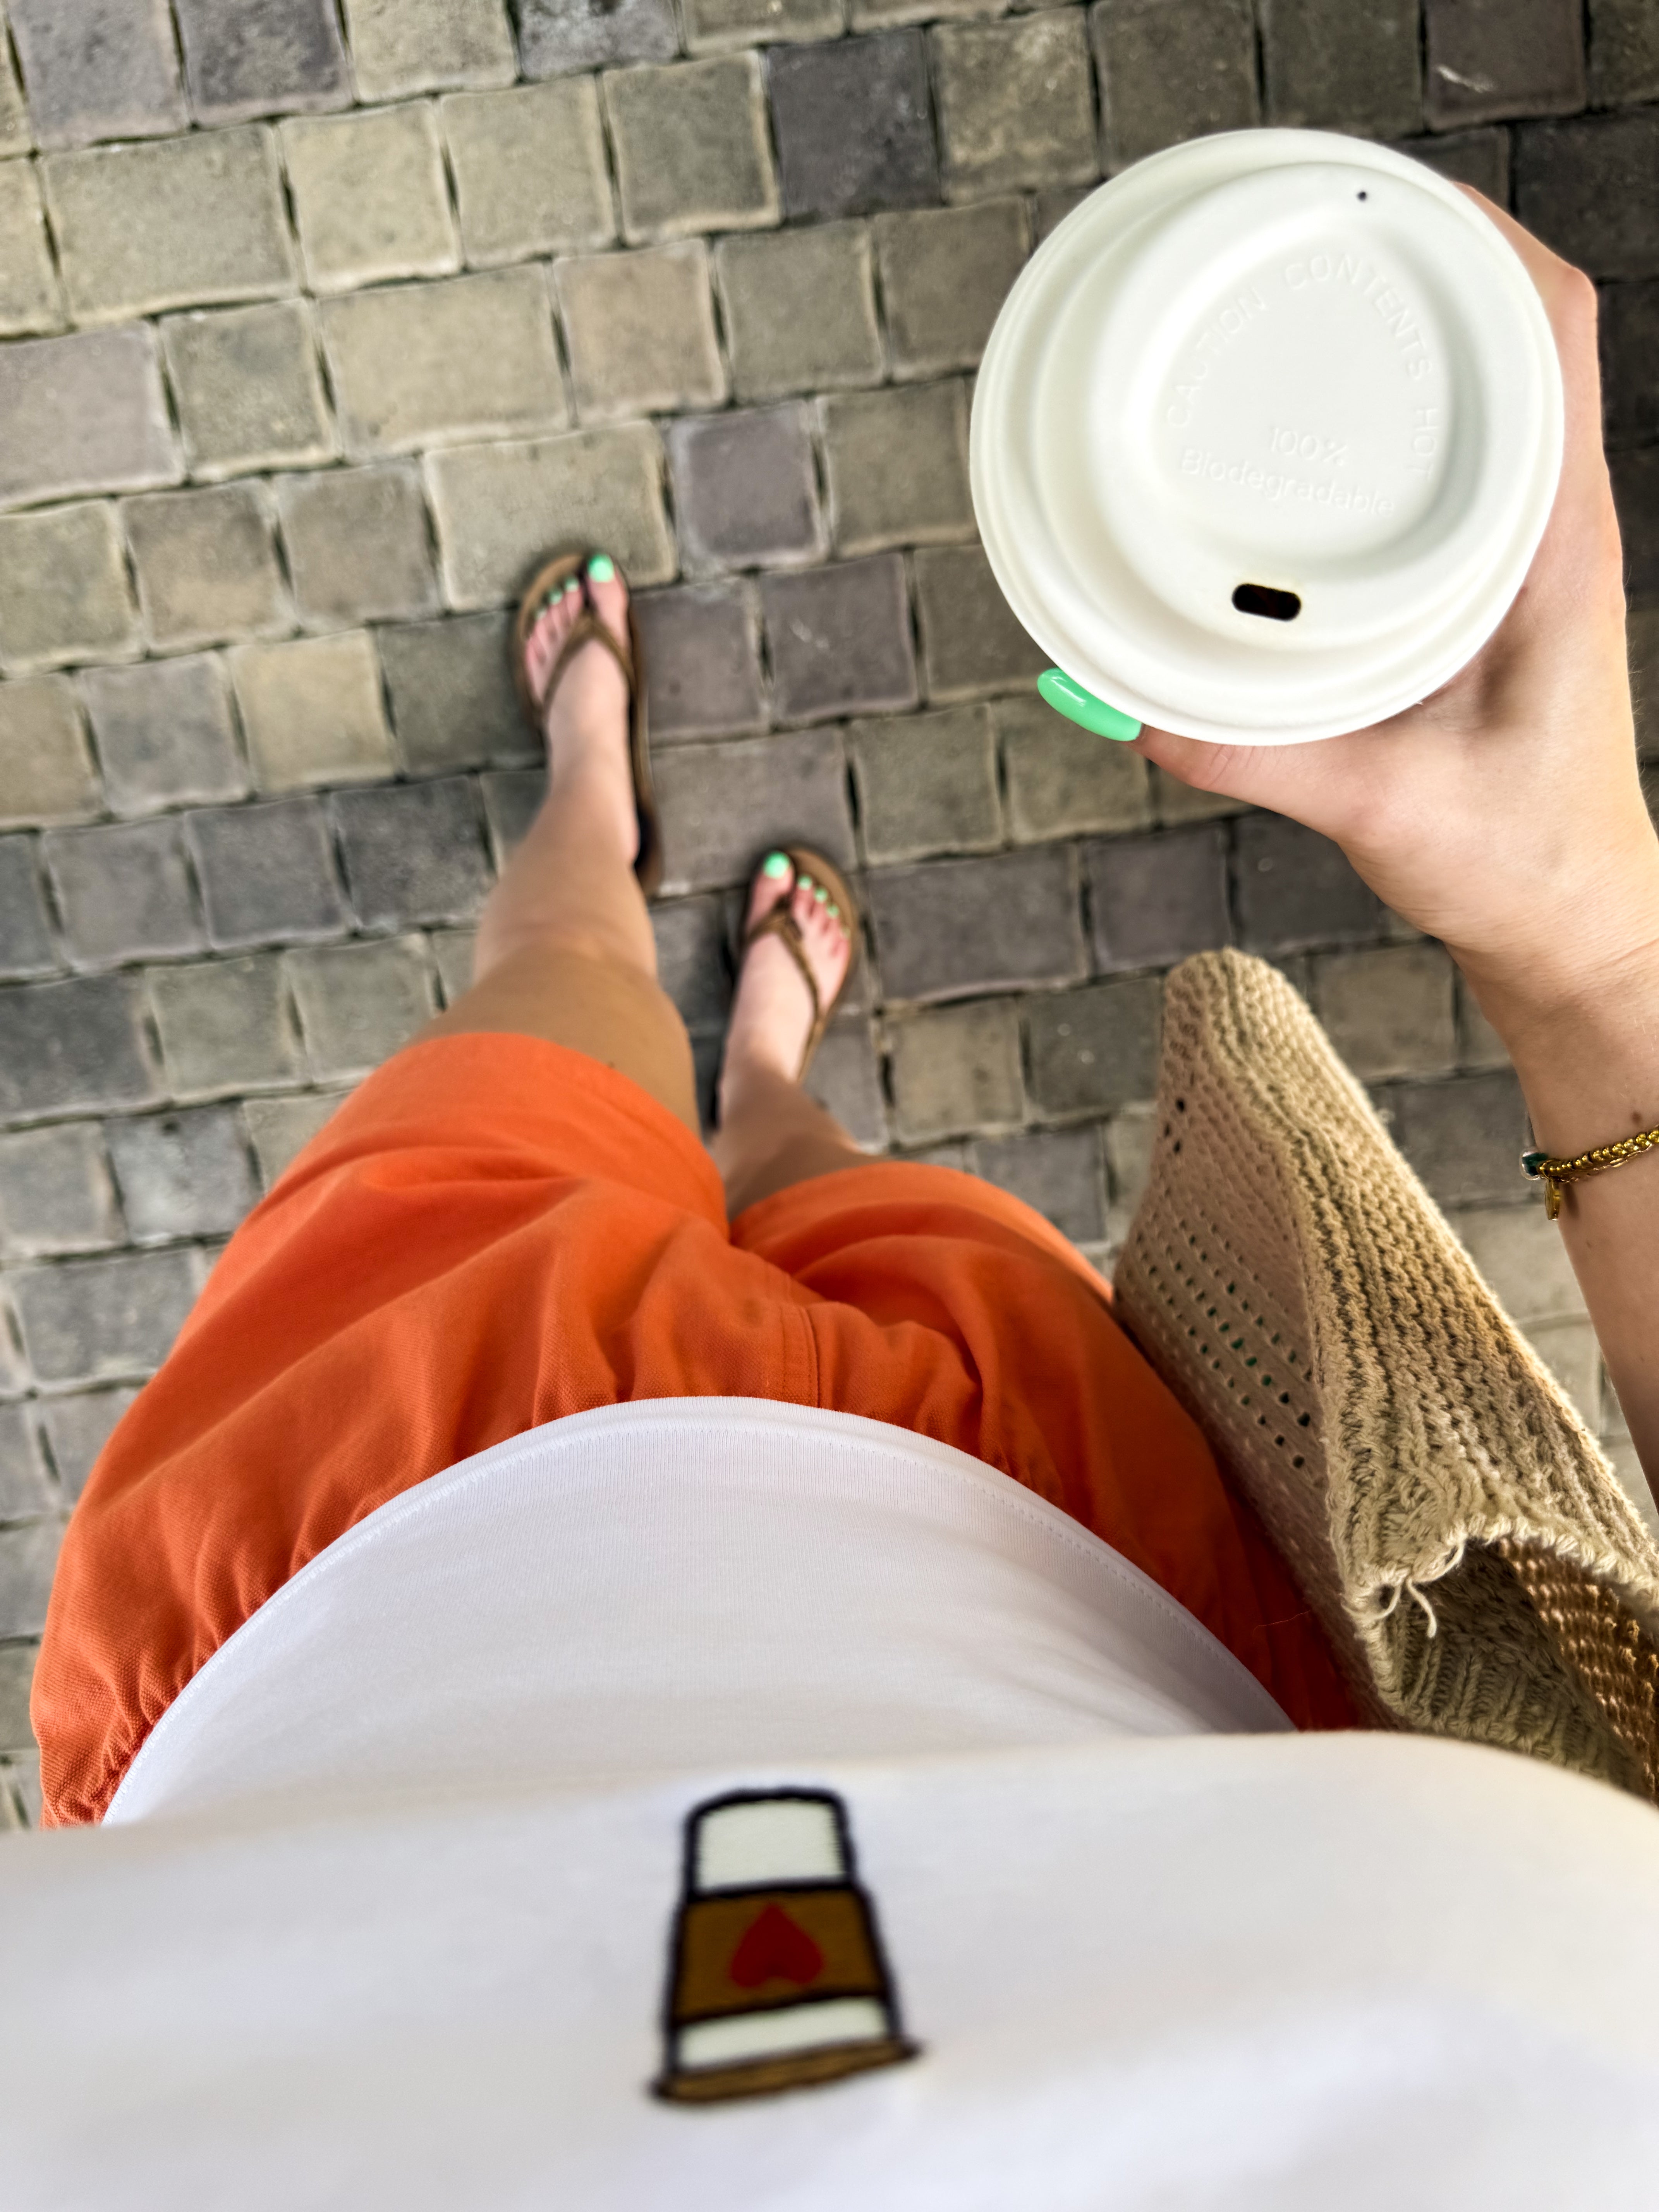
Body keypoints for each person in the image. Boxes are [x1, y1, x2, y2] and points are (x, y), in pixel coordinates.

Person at [9, 193, 1659, 2202]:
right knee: (831, 1180)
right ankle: (768, 1077)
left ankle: (594, 797)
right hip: (1069, 1532)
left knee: (559, 982)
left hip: (353, 1531)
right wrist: (1589, 948)